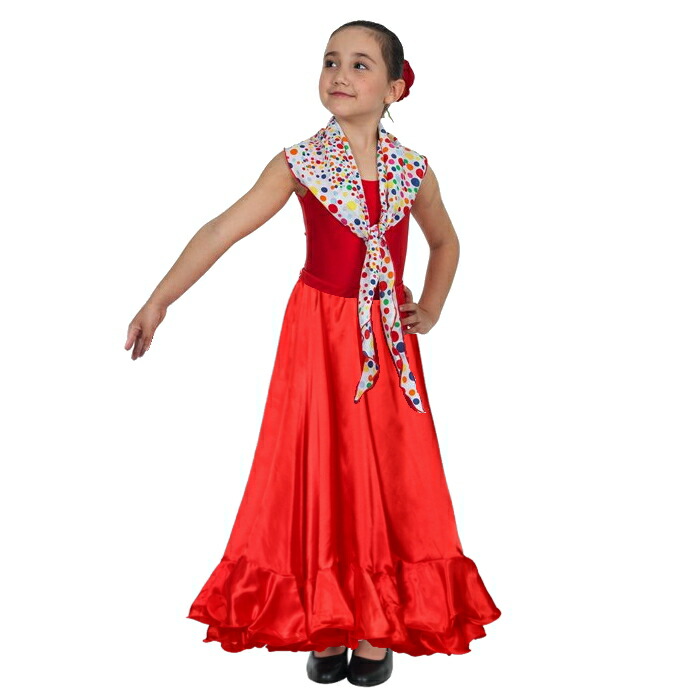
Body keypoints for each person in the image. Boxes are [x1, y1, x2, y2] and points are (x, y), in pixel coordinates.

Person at [125, 19, 501, 687]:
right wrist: (161, 299)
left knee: (384, 472)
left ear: (395, 88)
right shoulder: (300, 163)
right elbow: (222, 228)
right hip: (319, 335)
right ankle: (327, 623)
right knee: (321, 467)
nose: (339, 75)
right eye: (330, 61)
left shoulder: (412, 170)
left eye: (360, 64)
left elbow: (446, 241)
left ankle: (375, 625)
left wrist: (432, 306)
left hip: (383, 338)